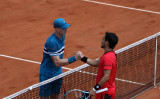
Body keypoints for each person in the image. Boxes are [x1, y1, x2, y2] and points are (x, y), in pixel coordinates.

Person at [39, 18, 81, 99]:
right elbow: (57, 62)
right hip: (47, 75)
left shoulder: (62, 37)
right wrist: (75, 58)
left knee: (55, 97)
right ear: (57, 29)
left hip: (57, 74)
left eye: (66, 27)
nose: (66, 29)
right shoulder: (51, 42)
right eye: (63, 28)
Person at [78, 32, 118, 99]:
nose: (101, 41)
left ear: (106, 43)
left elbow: (106, 76)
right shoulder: (110, 54)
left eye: (103, 39)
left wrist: (94, 89)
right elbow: (96, 63)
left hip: (105, 92)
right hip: (104, 90)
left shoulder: (108, 57)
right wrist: (82, 58)